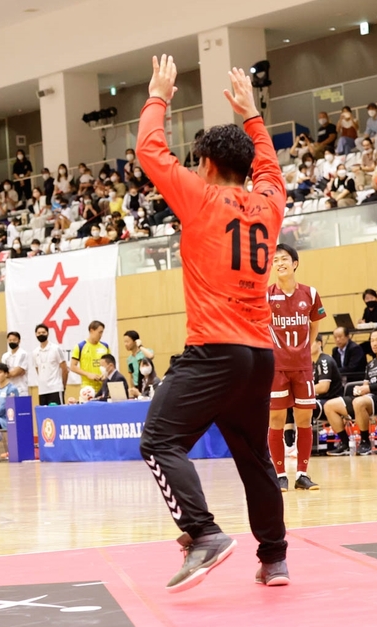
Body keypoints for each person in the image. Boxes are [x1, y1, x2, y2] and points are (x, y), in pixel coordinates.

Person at [136, 60, 289, 590]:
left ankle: (203, 534)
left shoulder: (198, 197)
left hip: (215, 349)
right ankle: (275, 559)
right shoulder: (270, 201)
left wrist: (158, 96)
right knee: (255, 459)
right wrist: (251, 114)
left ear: (202, 163)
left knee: (158, 441)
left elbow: (149, 152)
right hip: (259, 355)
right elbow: (269, 167)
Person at [267, 244, 325, 492]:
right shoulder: (266, 295)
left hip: (302, 367)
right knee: (277, 419)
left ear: (295, 263)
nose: (280, 263)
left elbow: (315, 324)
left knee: (304, 419)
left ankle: (302, 474)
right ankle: (280, 474)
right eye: (276, 260)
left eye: (284, 259)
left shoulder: (310, 294)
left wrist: (306, 347)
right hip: (276, 368)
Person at [324, 328, 377, 456]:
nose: (374, 344)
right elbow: (366, 385)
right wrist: (360, 389)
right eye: (372, 341)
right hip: (368, 398)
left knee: (359, 402)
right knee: (329, 405)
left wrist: (370, 388)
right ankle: (344, 443)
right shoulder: (370, 364)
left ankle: (365, 442)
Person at [70, 321, 110, 396]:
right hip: (87, 388)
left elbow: (110, 365)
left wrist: (105, 375)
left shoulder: (105, 346)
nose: (101, 335)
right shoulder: (80, 346)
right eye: (99, 332)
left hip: (103, 387)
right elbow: (73, 367)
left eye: (102, 332)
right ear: (92, 330)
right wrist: (88, 374)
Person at [33, 324, 68, 407]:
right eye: (39, 333)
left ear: (48, 333)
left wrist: (63, 386)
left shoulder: (55, 348)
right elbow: (38, 370)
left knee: (58, 415)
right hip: (42, 390)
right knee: (45, 418)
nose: (41, 334)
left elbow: (65, 369)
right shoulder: (35, 352)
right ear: (36, 334)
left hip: (55, 389)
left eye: (43, 332)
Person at [311, 335, 344, 411]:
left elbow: (323, 388)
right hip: (319, 399)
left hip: (331, 400)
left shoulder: (324, 360)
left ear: (319, 344)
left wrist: (301, 391)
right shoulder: (311, 363)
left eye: (310, 342)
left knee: (301, 406)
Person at [1, 331, 30, 396]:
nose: (12, 342)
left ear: (19, 341)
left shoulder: (23, 354)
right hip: (8, 389)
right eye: (10, 340)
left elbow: (15, 372)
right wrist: (9, 373)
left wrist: (8, 373)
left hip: (21, 390)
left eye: (14, 340)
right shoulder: (5, 356)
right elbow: (2, 373)